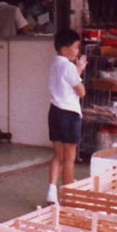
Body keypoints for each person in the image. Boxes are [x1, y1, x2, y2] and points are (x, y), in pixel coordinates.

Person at [46, 29, 88, 205]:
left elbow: (66, 83)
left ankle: (52, 190)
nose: (77, 51)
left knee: (58, 155)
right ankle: (69, 196)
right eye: (76, 48)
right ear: (64, 50)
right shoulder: (68, 66)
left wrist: (77, 70)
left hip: (55, 112)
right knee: (70, 159)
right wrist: (78, 71)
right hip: (69, 115)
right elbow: (81, 92)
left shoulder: (55, 64)